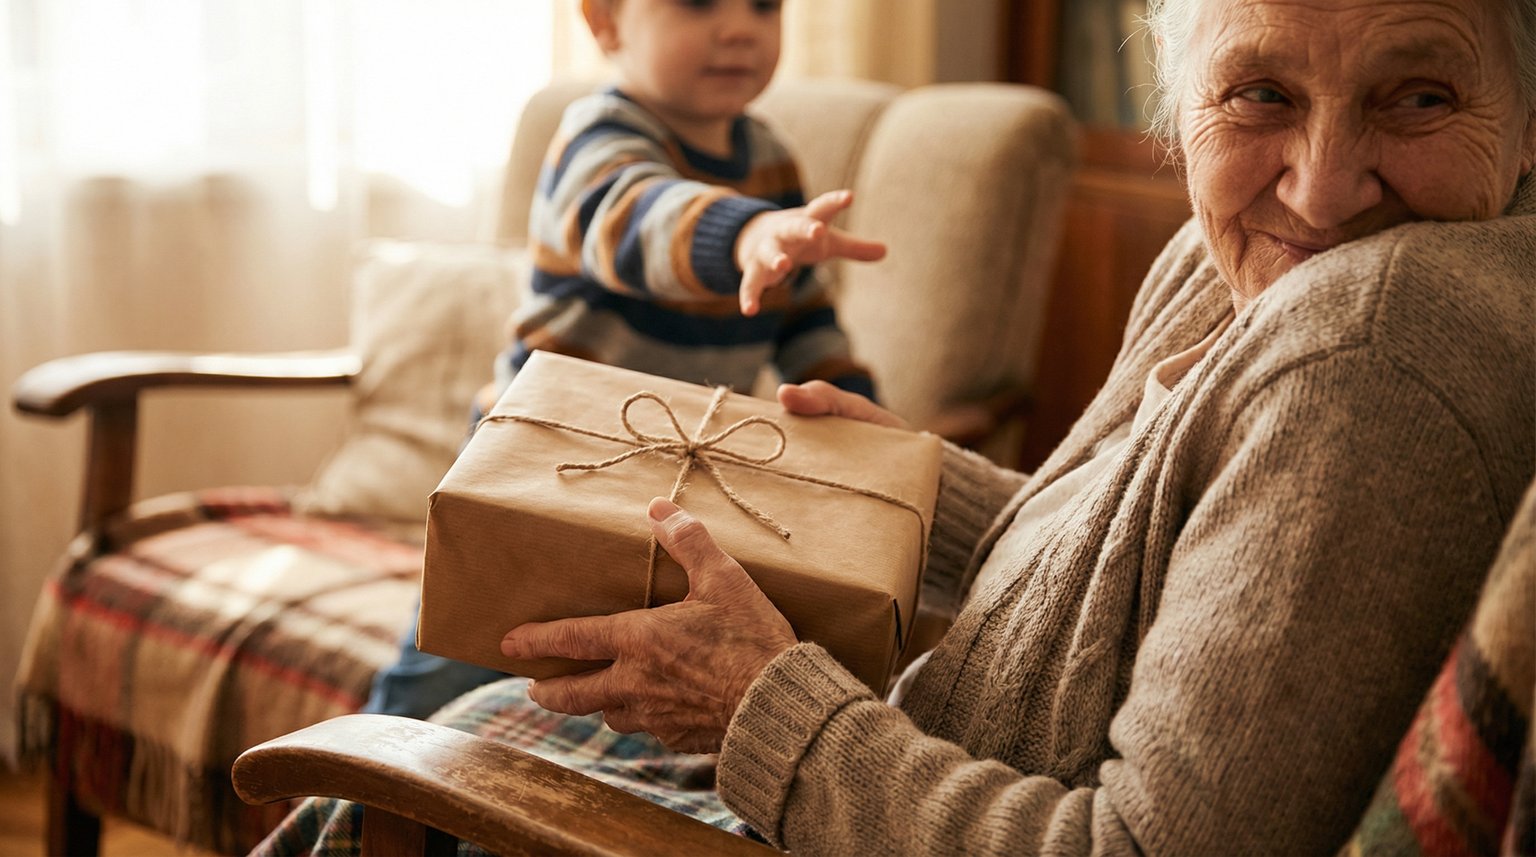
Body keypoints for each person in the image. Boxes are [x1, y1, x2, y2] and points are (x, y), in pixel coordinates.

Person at [258, 0, 1536, 852]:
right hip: (880, 741)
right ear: (1183, 101)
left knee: (394, 776)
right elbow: (1141, 552)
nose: (1320, 182)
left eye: (1417, 97)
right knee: (458, 705)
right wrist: (896, 477)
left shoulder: (1367, 344)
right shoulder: (1236, 258)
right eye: (1258, 93)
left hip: (857, 797)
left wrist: (761, 702)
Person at [361, 0, 887, 720]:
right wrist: (745, 235)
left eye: (764, 5)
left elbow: (805, 319)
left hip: (670, 481)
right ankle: (362, 786)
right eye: (699, 4)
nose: (739, 28)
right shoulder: (595, 138)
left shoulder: (771, 160)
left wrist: (860, 418)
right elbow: (637, 216)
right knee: (451, 655)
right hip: (537, 464)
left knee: (610, 668)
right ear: (605, 23)